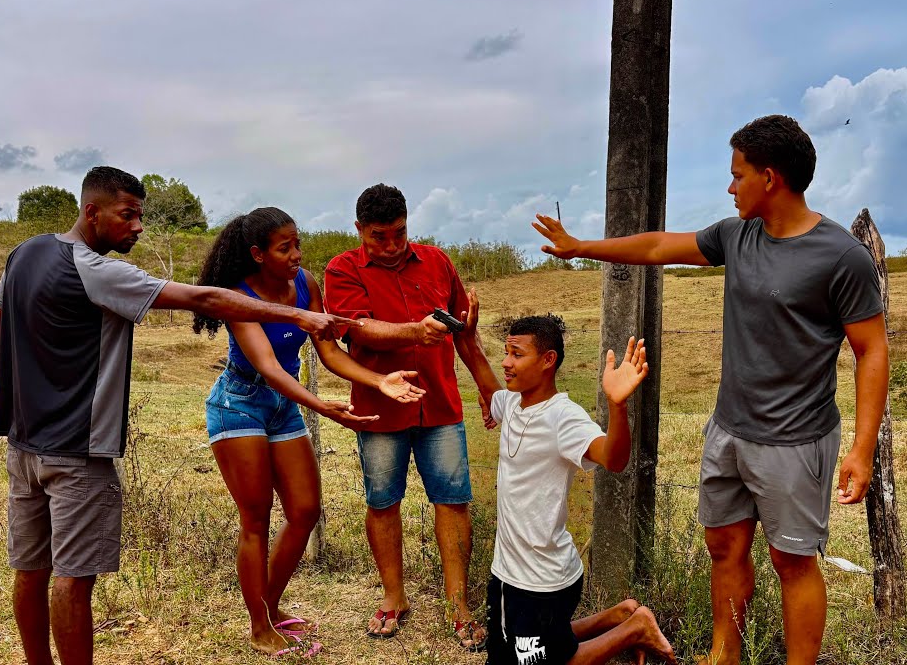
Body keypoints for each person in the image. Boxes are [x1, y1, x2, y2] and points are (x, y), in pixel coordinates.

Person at [532, 114, 889, 665]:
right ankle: (726, 654)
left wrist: (862, 451)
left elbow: (871, 350)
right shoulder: (736, 236)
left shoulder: (840, 256)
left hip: (795, 440)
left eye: (737, 175)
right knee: (723, 546)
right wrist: (581, 247)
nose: (730, 187)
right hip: (728, 431)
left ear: (769, 178)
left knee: (792, 562)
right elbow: (656, 248)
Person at [0, 166, 357, 665]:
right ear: (91, 212)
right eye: (127, 215)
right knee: (72, 579)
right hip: (77, 451)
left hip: (24, 446)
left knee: (30, 570)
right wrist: (300, 315)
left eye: (141, 215)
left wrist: (20, 400)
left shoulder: (25, 253)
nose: (138, 226)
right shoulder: (96, 270)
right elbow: (202, 298)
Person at [192, 206, 429, 657]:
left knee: (304, 510)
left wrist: (376, 380)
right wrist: (322, 406)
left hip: (283, 408)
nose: (297, 254)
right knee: (256, 518)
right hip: (239, 404)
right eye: (286, 248)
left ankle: (271, 607)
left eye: (298, 243)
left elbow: (327, 349)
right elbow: (266, 366)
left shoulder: (305, 285)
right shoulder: (236, 295)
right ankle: (259, 627)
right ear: (259, 254)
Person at [323, 183, 497, 649]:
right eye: (380, 236)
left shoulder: (438, 261)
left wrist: (488, 391)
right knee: (382, 501)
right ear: (359, 230)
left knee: (453, 500)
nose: (392, 245)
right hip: (379, 408)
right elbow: (357, 327)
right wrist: (413, 332)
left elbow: (464, 333)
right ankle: (393, 596)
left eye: (399, 233)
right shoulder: (340, 270)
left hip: (440, 405)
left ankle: (458, 604)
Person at [460, 308, 679, 665]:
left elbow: (614, 459)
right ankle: (618, 615)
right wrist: (466, 337)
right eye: (506, 352)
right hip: (509, 572)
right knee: (505, 654)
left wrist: (617, 404)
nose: (506, 362)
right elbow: (482, 374)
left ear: (548, 360)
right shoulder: (512, 403)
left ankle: (634, 629)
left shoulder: (563, 417)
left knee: (540, 661)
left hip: (541, 578)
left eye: (517, 354)